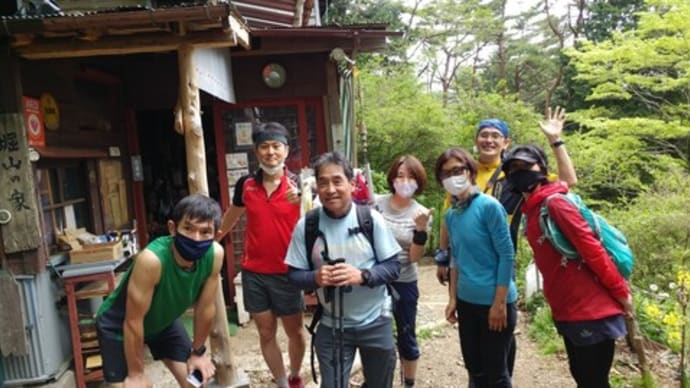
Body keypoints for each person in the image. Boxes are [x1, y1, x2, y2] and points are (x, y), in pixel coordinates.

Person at [502, 145, 632, 388]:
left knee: (593, 380)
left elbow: (593, 251)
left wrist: (621, 293)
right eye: (513, 169)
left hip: (591, 309)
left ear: (542, 168)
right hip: (567, 308)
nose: (519, 173)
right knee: (582, 376)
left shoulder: (555, 204)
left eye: (525, 166)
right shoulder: (531, 209)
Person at [285, 151, 401, 388]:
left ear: (351, 184)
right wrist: (315, 277)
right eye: (323, 182)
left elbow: (393, 267)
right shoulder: (307, 225)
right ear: (316, 186)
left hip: (376, 318)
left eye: (337, 181)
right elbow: (294, 275)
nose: (330, 189)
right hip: (331, 324)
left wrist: (362, 276)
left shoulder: (370, 219)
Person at [96, 194, 224, 387]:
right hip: (119, 325)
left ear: (216, 234)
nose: (196, 238)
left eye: (205, 232)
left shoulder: (215, 255)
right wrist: (136, 374)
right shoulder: (152, 260)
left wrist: (197, 353)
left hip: (162, 321)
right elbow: (132, 321)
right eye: (188, 229)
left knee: (196, 382)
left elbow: (205, 307)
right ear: (173, 228)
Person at [216, 122, 306, 388]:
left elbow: (317, 219)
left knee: (295, 331)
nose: (270, 152)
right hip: (254, 272)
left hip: (288, 271)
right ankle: (280, 382)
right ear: (256, 152)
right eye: (264, 147)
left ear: (286, 150)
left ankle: (295, 375)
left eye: (276, 146)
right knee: (266, 332)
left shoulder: (299, 183)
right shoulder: (246, 185)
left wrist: (302, 201)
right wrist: (208, 241)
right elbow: (230, 217)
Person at [436, 148, 517, 388]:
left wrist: (499, 303)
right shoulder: (451, 214)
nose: (453, 176)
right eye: (445, 174)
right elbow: (456, 259)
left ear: (471, 172)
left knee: (497, 375)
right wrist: (452, 298)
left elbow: (506, 254)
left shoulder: (489, 206)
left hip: (495, 303)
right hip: (467, 303)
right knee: (475, 371)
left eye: (457, 170)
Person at [374, 155, 432, 388]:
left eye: (411, 177)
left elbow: (414, 258)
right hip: (375, 279)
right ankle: (378, 380)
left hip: (404, 281)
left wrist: (420, 230)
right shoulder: (375, 203)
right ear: (392, 178)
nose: (405, 181)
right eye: (400, 176)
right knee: (376, 336)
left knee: (406, 334)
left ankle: (408, 383)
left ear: (419, 182)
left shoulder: (421, 213)